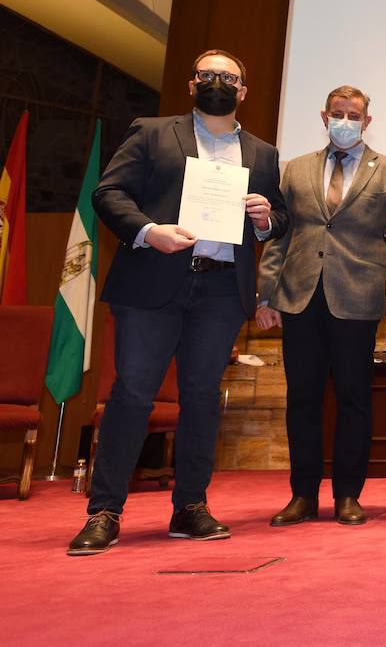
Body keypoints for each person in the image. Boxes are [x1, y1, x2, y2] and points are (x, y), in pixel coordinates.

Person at [68, 49, 288, 556]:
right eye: (208, 75)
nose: (218, 82)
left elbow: (278, 219)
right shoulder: (150, 131)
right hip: (153, 281)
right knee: (133, 395)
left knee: (203, 398)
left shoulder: (262, 153)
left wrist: (264, 219)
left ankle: (190, 507)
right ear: (192, 85)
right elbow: (110, 193)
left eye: (228, 77)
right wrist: (149, 231)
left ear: (244, 91)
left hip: (220, 289)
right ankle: (105, 511)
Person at [256, 85, 386, 527]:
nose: (346, 120)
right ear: (325, 117)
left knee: (354, 400)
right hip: (299, 296)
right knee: (302, 399)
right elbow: (279, 234)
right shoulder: (295, 168)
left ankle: (348, 495)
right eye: (338, 113)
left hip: (356, 300)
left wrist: (371, 271)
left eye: (354, 114)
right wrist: (267, 294)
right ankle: (302, 495)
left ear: (367, 121)